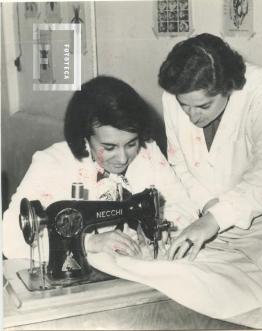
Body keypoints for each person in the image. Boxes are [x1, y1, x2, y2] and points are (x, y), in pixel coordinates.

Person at [158, 33, 262, 260]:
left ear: (228, 88)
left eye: (204, 106)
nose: (191, 115)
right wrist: (209, 205)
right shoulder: (175, 95)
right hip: (221, 201)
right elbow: (179, 163)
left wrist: (215, 218)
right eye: (184, 106)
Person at [3, 76, 197, 260]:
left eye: (131, 143)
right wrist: (87, 243)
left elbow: (184, 206)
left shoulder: (148, 152)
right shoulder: (52, 164)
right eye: (109, 147)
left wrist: (165, 227)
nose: (123, 158)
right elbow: (9, 238)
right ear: (84, 136)